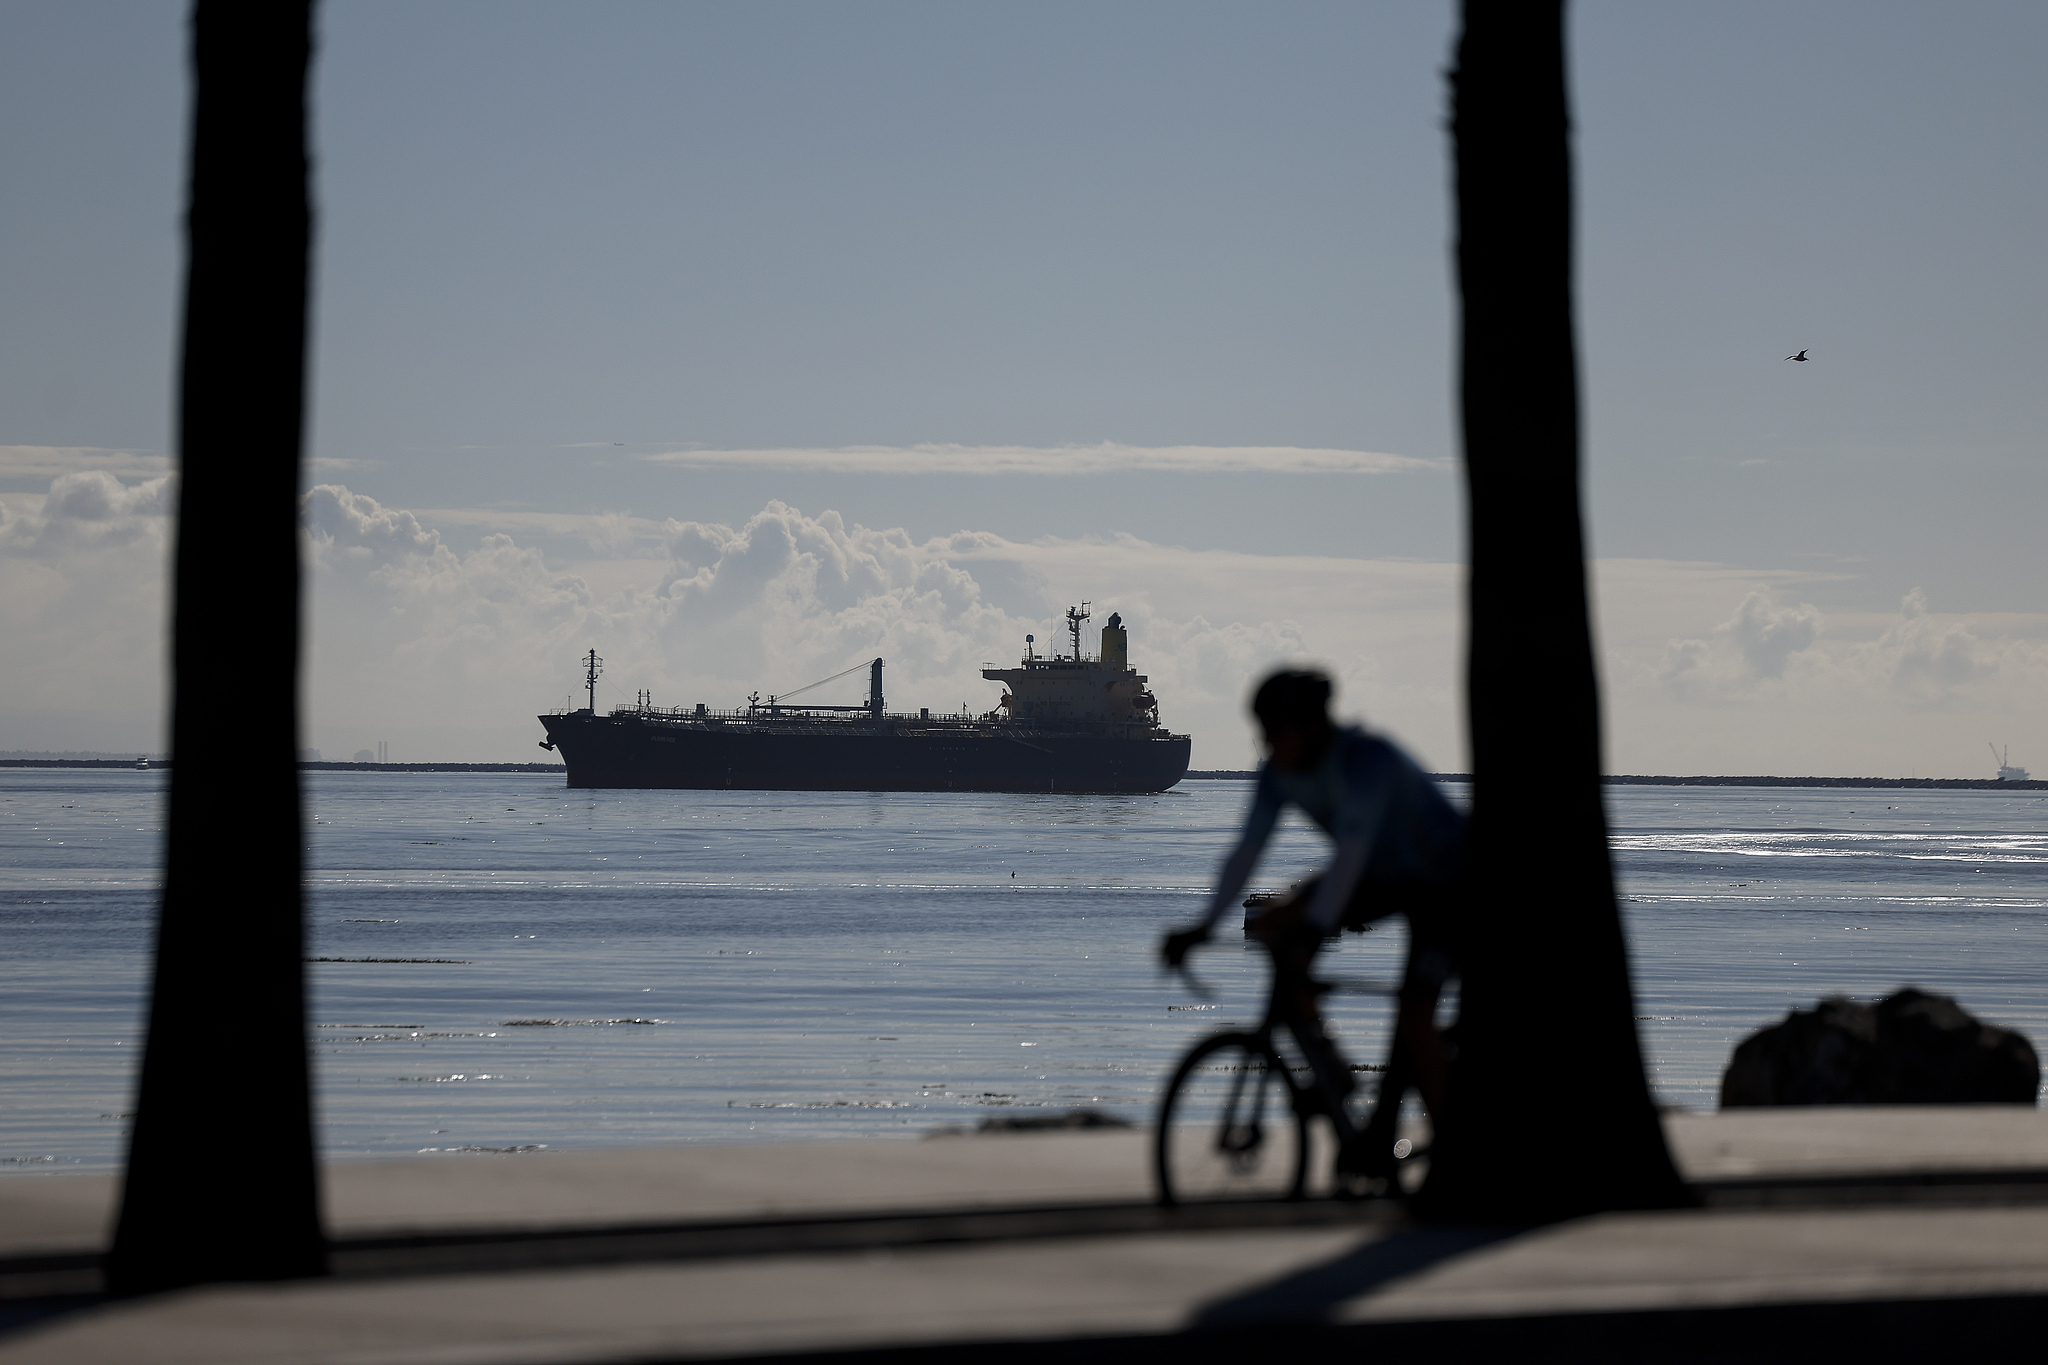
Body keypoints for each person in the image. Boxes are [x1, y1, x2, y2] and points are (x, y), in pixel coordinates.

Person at [1160, 668, 1467, 1175]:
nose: (1267, 743)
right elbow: (1246, 851)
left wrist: (1317, 924)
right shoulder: (1277, 772)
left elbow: (1351, 851)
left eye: (1275, 731)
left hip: (1449, 884)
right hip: (1383, 876)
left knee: (1415, 1015)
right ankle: (1329, 1066)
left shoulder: (1366, 760)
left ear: (1311, 727)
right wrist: (1202, 925)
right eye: (1262, 732)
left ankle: (1460, 1163)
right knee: (1273, 916)